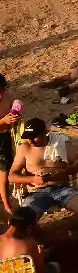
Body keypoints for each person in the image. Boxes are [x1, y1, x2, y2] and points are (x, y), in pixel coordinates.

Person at [9, 119, 78, 241]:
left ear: (45, 132)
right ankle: (47, 237)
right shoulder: (25, 147)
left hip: (61, 188)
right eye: (28, 137)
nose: (30, 140)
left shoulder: (59, 142)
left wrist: (65, 171)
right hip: (37, 192)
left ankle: (61, 232)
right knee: (22, 221)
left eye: (34, 137)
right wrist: (32, 179)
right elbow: (12, 175)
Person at [0, 75, 21, 215]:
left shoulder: (7, 96)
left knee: (5, 170)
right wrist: (3, 121)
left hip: (7, 137)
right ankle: (6, 203)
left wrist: (15, 116)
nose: (0, 94)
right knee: (3, 172)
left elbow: (15, 109)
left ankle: (6, 200)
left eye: (2, 90)